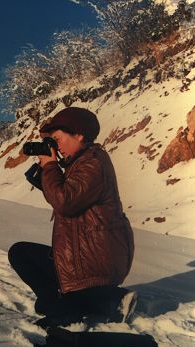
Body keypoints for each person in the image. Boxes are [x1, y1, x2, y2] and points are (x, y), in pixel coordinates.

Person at [8, 107, 136, 329]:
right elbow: (65, 196)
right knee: (22, 253)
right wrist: (48, 170)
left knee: (26, 258)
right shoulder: (81, 163)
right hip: (88, 256)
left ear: (79, 134)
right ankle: (107, 302)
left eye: (57, 139)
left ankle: (68, 310)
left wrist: (50, 165)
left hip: (95, 259)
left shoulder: (93, 163)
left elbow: (64, 202)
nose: (56, 146)